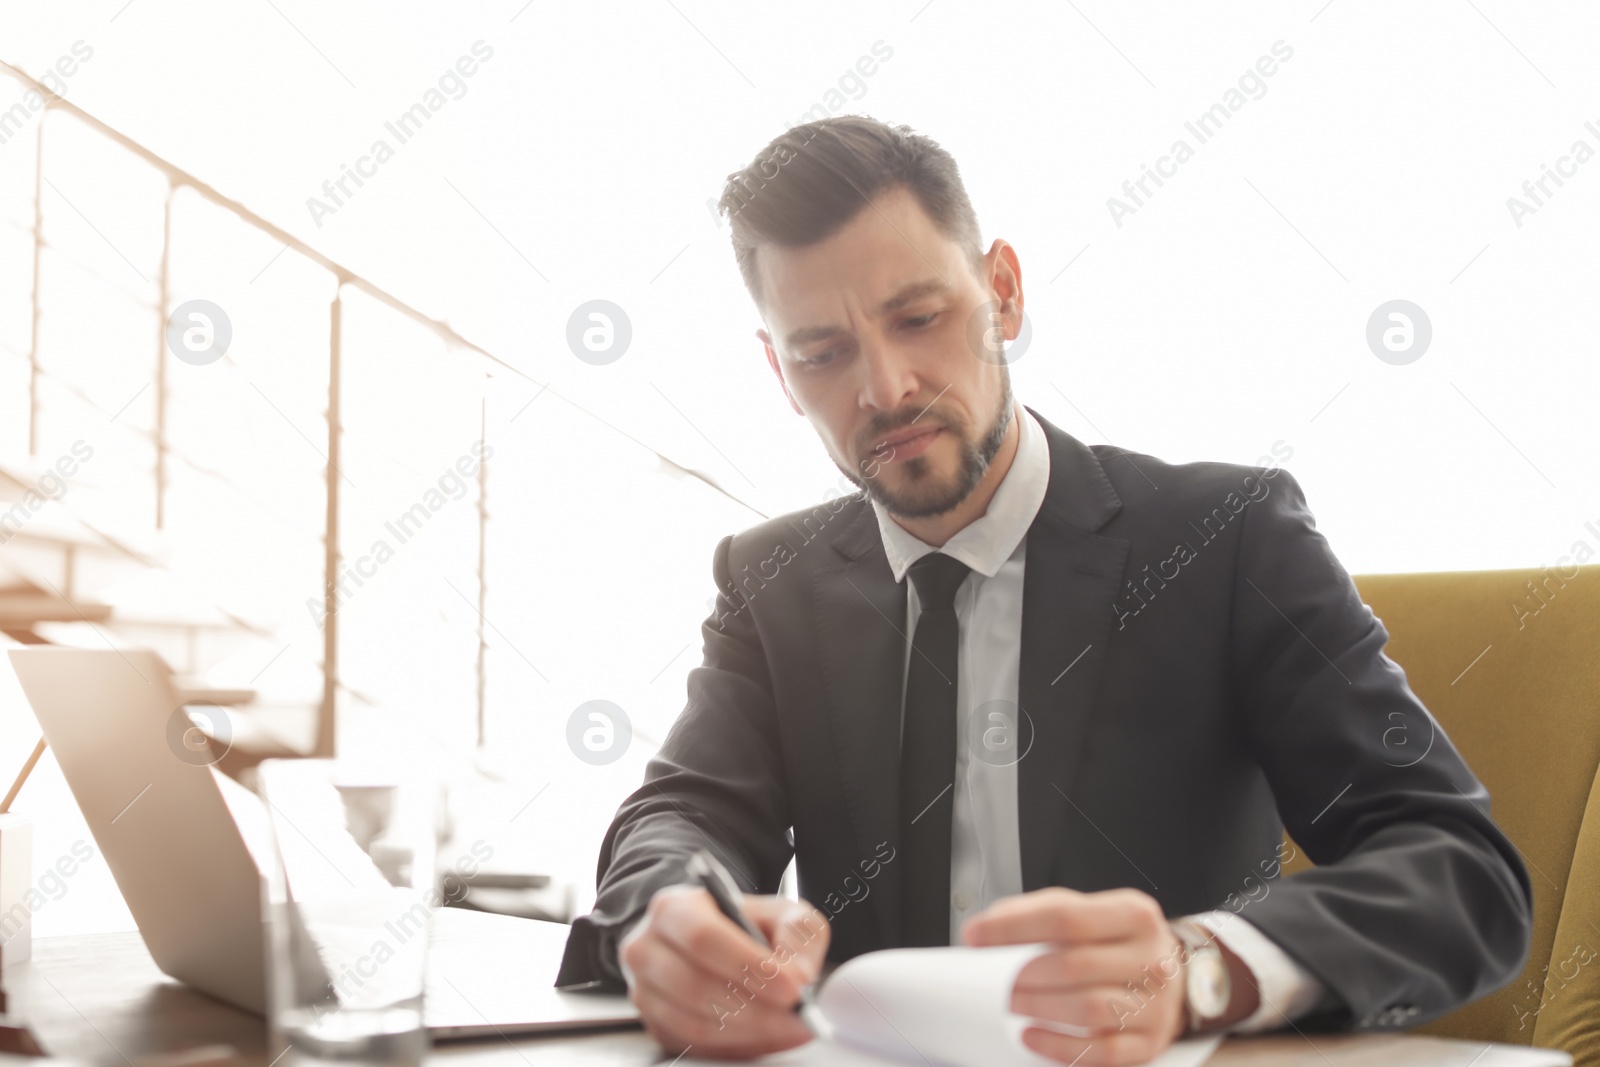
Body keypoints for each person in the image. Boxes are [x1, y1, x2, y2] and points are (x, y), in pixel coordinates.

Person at [555, 115, 1532, 1066]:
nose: (885, 387)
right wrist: (669, 910)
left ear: (1003, 294)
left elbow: (1458, 868)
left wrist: (1198, 965)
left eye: (918, 317)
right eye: (823, 353)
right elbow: (680, 816)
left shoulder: (1224, 536)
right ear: (779, 371)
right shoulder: (772, 580)